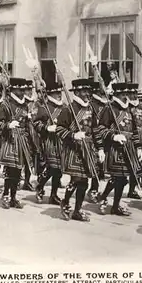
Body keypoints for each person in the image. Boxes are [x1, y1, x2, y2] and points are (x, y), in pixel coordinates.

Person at [96, 82, 142, 216]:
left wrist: (138, 147)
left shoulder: (129, 110)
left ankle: (112, 203)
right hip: (115, 148)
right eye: (123, 94)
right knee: (118, 177)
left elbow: (134, 131)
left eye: (126, 94)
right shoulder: (109, 108)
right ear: (116, 95)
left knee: (123, 180)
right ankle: (106, 198)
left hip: (129, 148)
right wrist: (114, 136)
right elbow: (101, 129)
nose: (125, 97)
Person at [56, 78, 99, 221]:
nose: (88, 94)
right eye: (85, 91)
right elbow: (59, 129)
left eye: (89, 91)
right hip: (74, 148)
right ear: (78, 92)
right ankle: (66, 202)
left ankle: (78, 210)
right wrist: (73, 135)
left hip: (88, 149)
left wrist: (100, 149)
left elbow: (95, 130)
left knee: (85, 182)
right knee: (76, 180)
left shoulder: (91, 108)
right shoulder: (68, 109)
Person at [0, 77, 34, 209]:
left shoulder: (25, 105)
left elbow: (27, 125)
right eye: (20, 89)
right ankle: (6, 195)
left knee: (18, 172)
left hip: (23, 141)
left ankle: (13, 197)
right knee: (10, 171)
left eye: (24, 89)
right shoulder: (5, 105)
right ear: (13, 90)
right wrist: (8, 125)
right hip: (10, 141)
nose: (23, 92)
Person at [34, 82, 65, 205]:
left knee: (59, 170)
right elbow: (36, 123)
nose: (59, 95)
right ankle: (40, 186)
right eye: (56, 93)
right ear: (50, 93)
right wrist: (47, 128)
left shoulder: (65, 107)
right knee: (53, 168)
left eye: (60, 92)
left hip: (62, 141)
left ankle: (54, 194)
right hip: (49, 141)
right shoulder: (44, 107)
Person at [88, 80, 108, 203]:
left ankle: (94, 188)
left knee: (99, 165)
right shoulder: (91, 105)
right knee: (94, 165)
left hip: (103, 136)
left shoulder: (105, 105)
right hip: (92, 137)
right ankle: (93, 190)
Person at [125, 83, 142, 199]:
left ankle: (132, 189)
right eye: (131, 93)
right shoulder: (126, 108)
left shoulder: (140, 107)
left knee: (137, 166)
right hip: (129, 137)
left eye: (135, 93)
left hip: (139, 137)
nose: (133, 95)